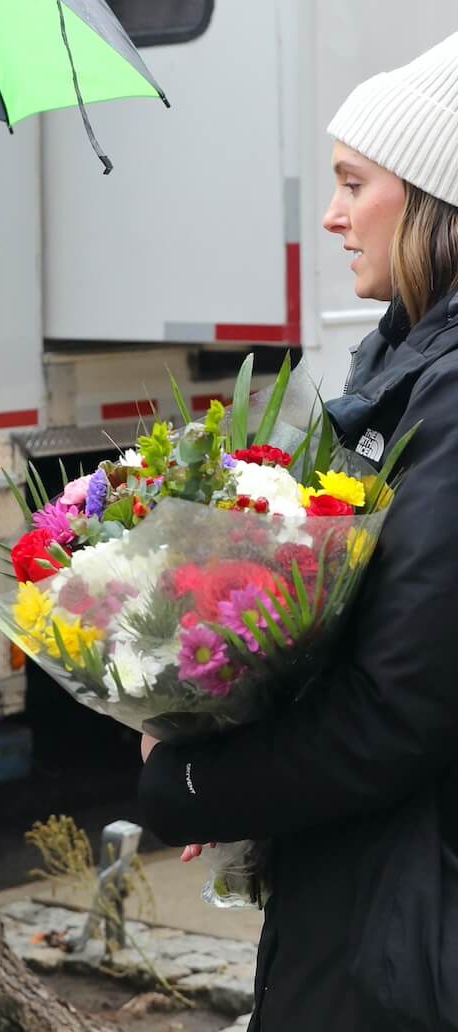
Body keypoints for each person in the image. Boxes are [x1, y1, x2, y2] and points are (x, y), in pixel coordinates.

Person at [138, 34, 458, 1031]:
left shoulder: (448, 401)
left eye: (354, 183)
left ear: (437, 202)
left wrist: (194, 781)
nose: (331, 216)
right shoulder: (404, 374)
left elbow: (396, 711)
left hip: (410, 926)